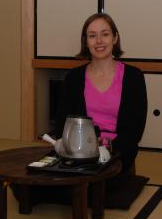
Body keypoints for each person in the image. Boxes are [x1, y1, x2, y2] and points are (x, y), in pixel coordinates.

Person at [52, 12, 147, 180]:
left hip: (117, 151)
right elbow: (62, 122)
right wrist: (74, 147)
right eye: (92, 36)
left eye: (105, 34)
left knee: (95, 185)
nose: (99, 41)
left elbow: (135, 131)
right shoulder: (73, 77)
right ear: (85, 41)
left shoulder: (133, 77)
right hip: (78, 150)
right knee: (34, 178)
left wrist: (106, 148)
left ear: (115, 38)